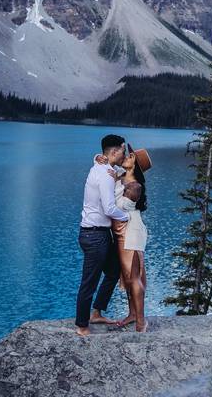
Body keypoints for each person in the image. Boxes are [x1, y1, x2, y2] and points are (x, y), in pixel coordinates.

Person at [75, 134, 129, 336]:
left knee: (114, 271)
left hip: (99, 234)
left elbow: (121, 171)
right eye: (122, 150)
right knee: (89, 281)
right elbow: (109, 208)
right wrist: (127, 217)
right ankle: (82, 326)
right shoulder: (105, 174)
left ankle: (96, 312)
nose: (124, 153)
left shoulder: (99, 167)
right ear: (114, 152)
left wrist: (99, 157)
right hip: (95, 236)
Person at [110, 144, 151, 332]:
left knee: (134, 276)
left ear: (136, 166)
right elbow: (105, 161)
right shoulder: (120, 175)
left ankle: (141, 321)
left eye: (131, 157)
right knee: (127, 276)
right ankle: (132, 314)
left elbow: (118, 207)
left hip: (132, 232)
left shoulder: (135, 186)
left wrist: (114, 182)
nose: (127, 157)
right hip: (122, 232)